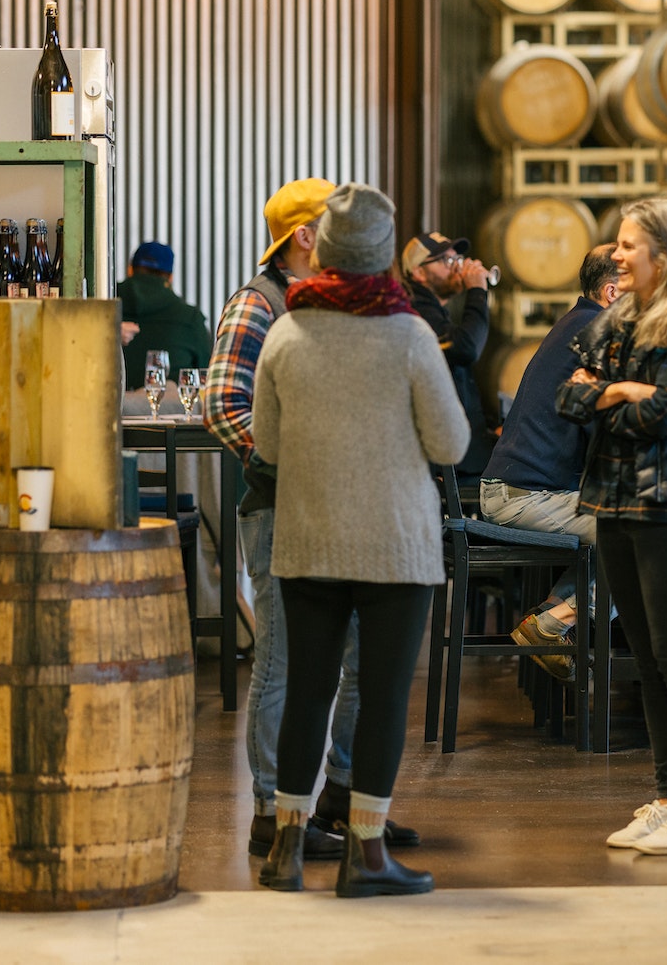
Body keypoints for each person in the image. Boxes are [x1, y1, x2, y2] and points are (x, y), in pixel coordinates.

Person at [251, 184, 468, 896]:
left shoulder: (286, 331)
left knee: (309, 691)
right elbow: (452, 442)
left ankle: (285, 845)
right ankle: (367, 855)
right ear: (384, 252)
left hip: (307, 539)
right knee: (379, 697)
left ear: (328, 246)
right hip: (395, 546)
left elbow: (272, 447)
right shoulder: (408, 334)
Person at [206, 178, 419, 865]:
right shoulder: (259, 302)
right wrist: (293, 459)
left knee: (359, 660)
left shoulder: (337, 305)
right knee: (284, 664)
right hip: (281, 508)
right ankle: (273, 817)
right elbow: (220, 403)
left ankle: (345, 803)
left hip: (343, 513)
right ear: (307, 235)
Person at [555, 200, 667, 856]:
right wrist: (621, 392)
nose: (618, 254)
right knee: (646, 657)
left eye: (630, 244)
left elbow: (663, 415)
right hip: (614, 502)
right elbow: (565, 398)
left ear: (665, 254)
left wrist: (617, 394)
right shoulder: (616, 321)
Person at [483, 244, 621, 678]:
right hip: (523, 496)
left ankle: (548, 620)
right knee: (649, 528)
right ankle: (556, 620)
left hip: (522, 488)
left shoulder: (580, 323)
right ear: (614, 293)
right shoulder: (595, 333)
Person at [402, 231, 495, 475]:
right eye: (446, 261)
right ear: (418, 272)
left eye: (457, 259)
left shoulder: (434, 309)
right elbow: (465, 349)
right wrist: (477, 291)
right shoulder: (417, 308)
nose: (456, 267)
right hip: (449, 461)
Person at [119, 241, 212, 385]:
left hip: (109, 405)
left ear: (130, 270)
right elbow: (207, 377)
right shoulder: (190, 318)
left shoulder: (106, 310)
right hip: (171, 407)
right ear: (170, 277)